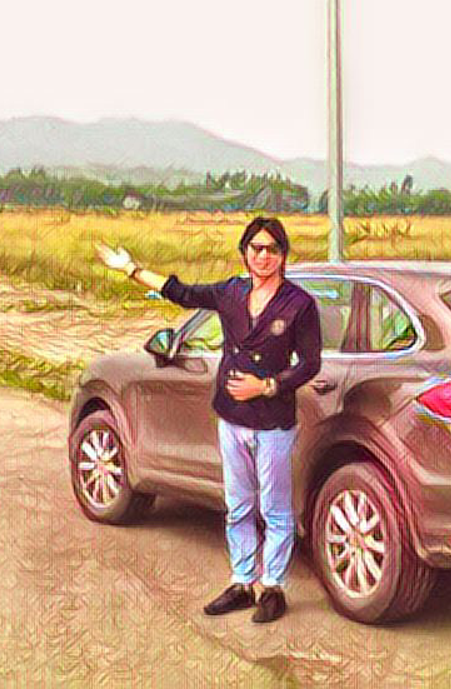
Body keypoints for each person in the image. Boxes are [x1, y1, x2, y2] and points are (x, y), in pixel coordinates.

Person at [95, 216, 321, 624]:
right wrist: (131, 270)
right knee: (238, 505)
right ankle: (242, 581)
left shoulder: (299, 304)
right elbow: (182, 293)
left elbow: (310, 363)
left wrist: (268, 385)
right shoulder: (231, 292)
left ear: (283, 254)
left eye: (272, 249)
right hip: (232, 418)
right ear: (245, 253)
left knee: (274, 509)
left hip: (272, 422)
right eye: (256, 248)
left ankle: (273, 587)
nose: (263, 256)